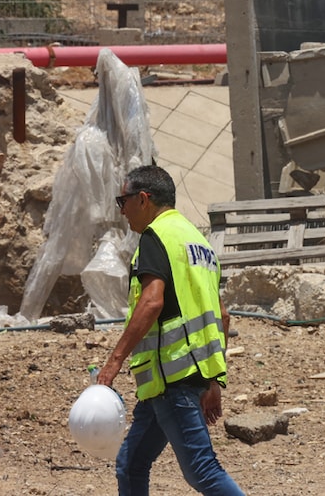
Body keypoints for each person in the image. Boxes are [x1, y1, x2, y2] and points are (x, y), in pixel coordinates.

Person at [98, 165, 243, 496]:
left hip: (172, 376)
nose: (122, 211)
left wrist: (115, 360)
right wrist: (213, 381)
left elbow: (151, 303)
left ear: (144, 199)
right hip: (179, 378)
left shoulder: (155, 237)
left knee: (203, 472)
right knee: (131, 464)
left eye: (123, 201)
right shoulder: (199, 242)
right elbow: (222, 316)